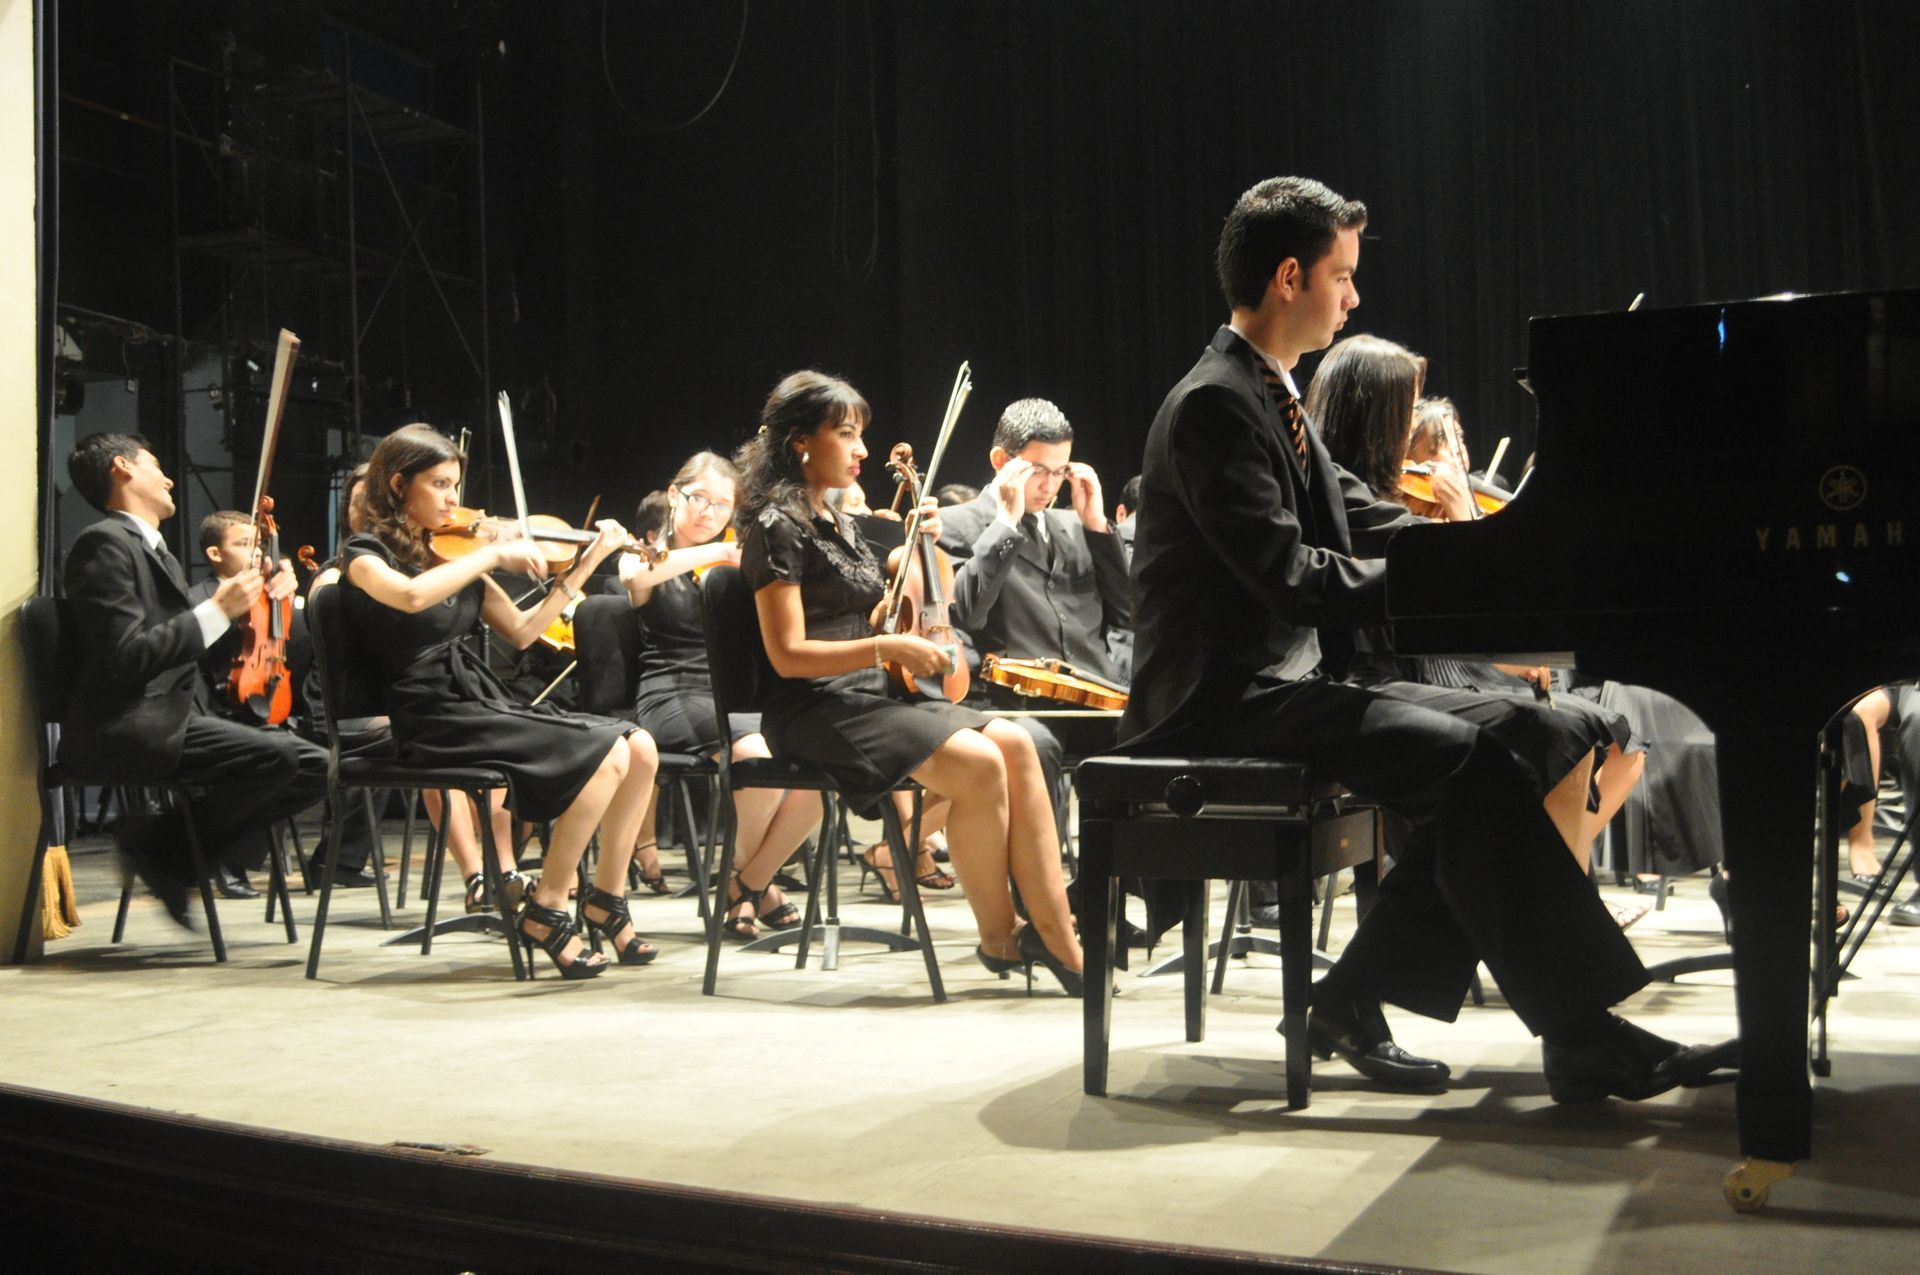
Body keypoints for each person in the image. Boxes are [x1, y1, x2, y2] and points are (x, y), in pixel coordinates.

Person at [1122, 176, 1726, 1100]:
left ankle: (1351, 996)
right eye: (1342, 274)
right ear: (1290, 277)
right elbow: (1292, 576)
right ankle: (1579, 1029)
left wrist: (1493, 544)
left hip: (1283, 682)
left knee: (1550, 731)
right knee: (1474, 761)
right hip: (1222, 696)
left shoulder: (1268, 391)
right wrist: (1446, 576)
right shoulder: (1215, 403)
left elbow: (1358, 514)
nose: (1353, 296)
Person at [735, 370, 1083, 991]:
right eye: (846, 434)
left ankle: (1058, 934)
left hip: (867, 697)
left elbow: (873, 605)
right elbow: (788, 656)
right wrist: (886, 646)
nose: (863, 450)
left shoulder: (838, 521)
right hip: (811, 709)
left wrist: (919, 556)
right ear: (800, 443)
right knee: (979, 760)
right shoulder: (775, 527)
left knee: (1017, 743)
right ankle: (1004, 941)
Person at [1308, 336, 1649, 898]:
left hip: (1414, 670)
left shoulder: (1374, 496)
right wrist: (1464, 518)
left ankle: (1547, 903)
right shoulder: (1347, 499)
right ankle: (1549, 908)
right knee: (1560, 732)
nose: (1410, 429)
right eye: (1405, 412)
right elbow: (1451, 582)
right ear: (1373, 420)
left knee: (1589, 732)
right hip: (1374, 680)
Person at [339, 423, 661, 978]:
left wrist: (589, 561)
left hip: (472, 701)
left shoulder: (449, 553)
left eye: (455, 486)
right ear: (398, 485)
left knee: (643, 747)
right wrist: (491, 558)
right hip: (428, 717)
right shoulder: (364, 556)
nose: (453, 502)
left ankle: (604, 897)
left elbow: (523, 630)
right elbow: (411, 598)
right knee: (609, 752)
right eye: (439, 484)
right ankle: (549, 906)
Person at [59, 433, 327, 926]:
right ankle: (167, 850)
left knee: (316, 766)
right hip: (127, 723)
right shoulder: (104, 545)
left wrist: (277, 603)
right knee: (285, 757)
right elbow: (128, 655)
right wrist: (218, 610)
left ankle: (165, 847)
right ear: (122, 468)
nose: (167, 478)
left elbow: (200, 648)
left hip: (176, 714)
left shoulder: (155, 550)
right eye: (156, 465)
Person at [616, 451, 821, 939]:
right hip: (671, 692)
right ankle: (752, 889)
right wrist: (720, 554)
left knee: (818, 771)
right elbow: (633, 579)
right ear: (673, 495)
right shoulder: (642, 552)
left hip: (734, 697)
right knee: (756, 755)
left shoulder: (744, 559)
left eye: (721, 505)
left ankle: (748, 879)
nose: (707, 512)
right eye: (697, 498)